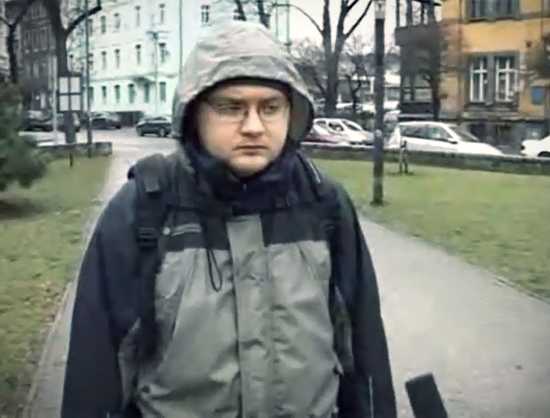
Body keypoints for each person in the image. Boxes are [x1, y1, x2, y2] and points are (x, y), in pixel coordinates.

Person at [61, 21, 396, 418]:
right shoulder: (143, 209)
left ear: (292, 113)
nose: (253, 126)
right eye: (231, 108)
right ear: (194, 114)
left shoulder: (324, 203)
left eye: (270, 108)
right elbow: (94, 371)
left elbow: (364, 351)